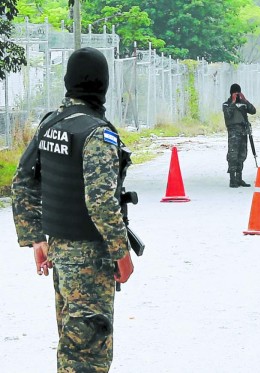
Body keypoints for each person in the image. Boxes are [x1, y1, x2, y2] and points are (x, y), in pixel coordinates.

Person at [11, 47, 134, 372]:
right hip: (90, 261)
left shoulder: (51, 125)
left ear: (68, 82)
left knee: (72, 350)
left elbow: (22, 182)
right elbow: (100, 200)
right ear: (103, 85)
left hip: (60, 253)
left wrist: (36, 239)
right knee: (87, 358)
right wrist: (121, 252)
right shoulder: (97, 133)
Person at [222, 83, 256, 188]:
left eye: (238, 93)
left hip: (243, 131)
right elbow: (228, 115)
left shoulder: (243, 104)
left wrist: (245, 100)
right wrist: (232, 102)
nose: (237, 95)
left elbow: (253, 111)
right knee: (233, 155)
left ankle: (239, 178)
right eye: (235, 93)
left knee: (242, 154)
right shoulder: (226, 104)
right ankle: (232, 179)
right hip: (233, 132)